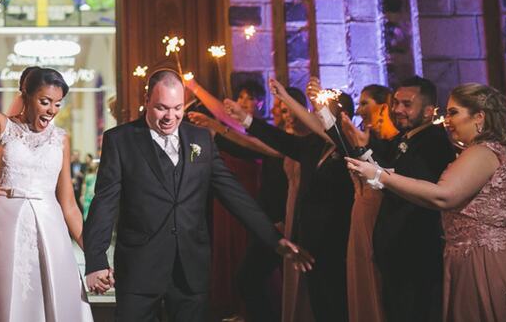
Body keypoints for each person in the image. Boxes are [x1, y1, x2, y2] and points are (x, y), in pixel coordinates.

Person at [82, 69, 312, 321]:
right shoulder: (120, 140)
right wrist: (95, 260)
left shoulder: (200, 138)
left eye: (177, 108)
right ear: (147, 99)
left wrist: (274, 239)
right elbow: (104, 203)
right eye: (161, 108)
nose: (171, 116)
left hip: (190, 268)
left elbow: (233, 193)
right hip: (140, 267)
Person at [348, 83, 506, 321]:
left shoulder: (482, 152)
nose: (446, 120)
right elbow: (431, 198)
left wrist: (380, 176)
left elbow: (442, 196)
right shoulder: (477, 152)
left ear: (479, 117)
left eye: (453, 112)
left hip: (489, 263)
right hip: (471, 259)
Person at [0, 32, 92, 321]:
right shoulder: (2, 127)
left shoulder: (60, 139)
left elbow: (69, 205)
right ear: (26, 95)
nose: (52, 111)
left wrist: (94, 256)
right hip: (1, 226)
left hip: (49, 229)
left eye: (58, 104)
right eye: (45, 101)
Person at [235, 78, 354, 322]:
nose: (316, 114)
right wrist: (245, 119)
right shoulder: (314, 145)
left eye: (323, 109)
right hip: (310, 240)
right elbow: (282, 141)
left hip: (335, 241)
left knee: (335, 306)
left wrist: (287, 98)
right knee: (319, 305)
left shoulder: (349, 148)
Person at [342, 75, 456, 322]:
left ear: (428, 111)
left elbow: (410, 186)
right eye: (396, 103)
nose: (398, 110)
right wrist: (363, 149)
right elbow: (388, 173)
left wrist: (367, 153)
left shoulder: (433, 143)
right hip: (397, 250)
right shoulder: (408, 137)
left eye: (407, 104)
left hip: (414, 251)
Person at [190, 92, 289, 322]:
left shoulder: (288, 145)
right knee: (250, 277)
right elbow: (245, 147)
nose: (276, 112)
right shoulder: (278, 139)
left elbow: (250, 144)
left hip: (280, 219)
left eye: (283, 109)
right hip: (267, 217)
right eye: (278, 108)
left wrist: (217, 125)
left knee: (250, 276)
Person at [347, 84, 394, 322]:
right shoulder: (360, 136)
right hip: (360, 212)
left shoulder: (389, 140)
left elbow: (387, 180)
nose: (359, 109)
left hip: (381, 214)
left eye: (365, 103)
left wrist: (364, 147)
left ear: (383, 105)